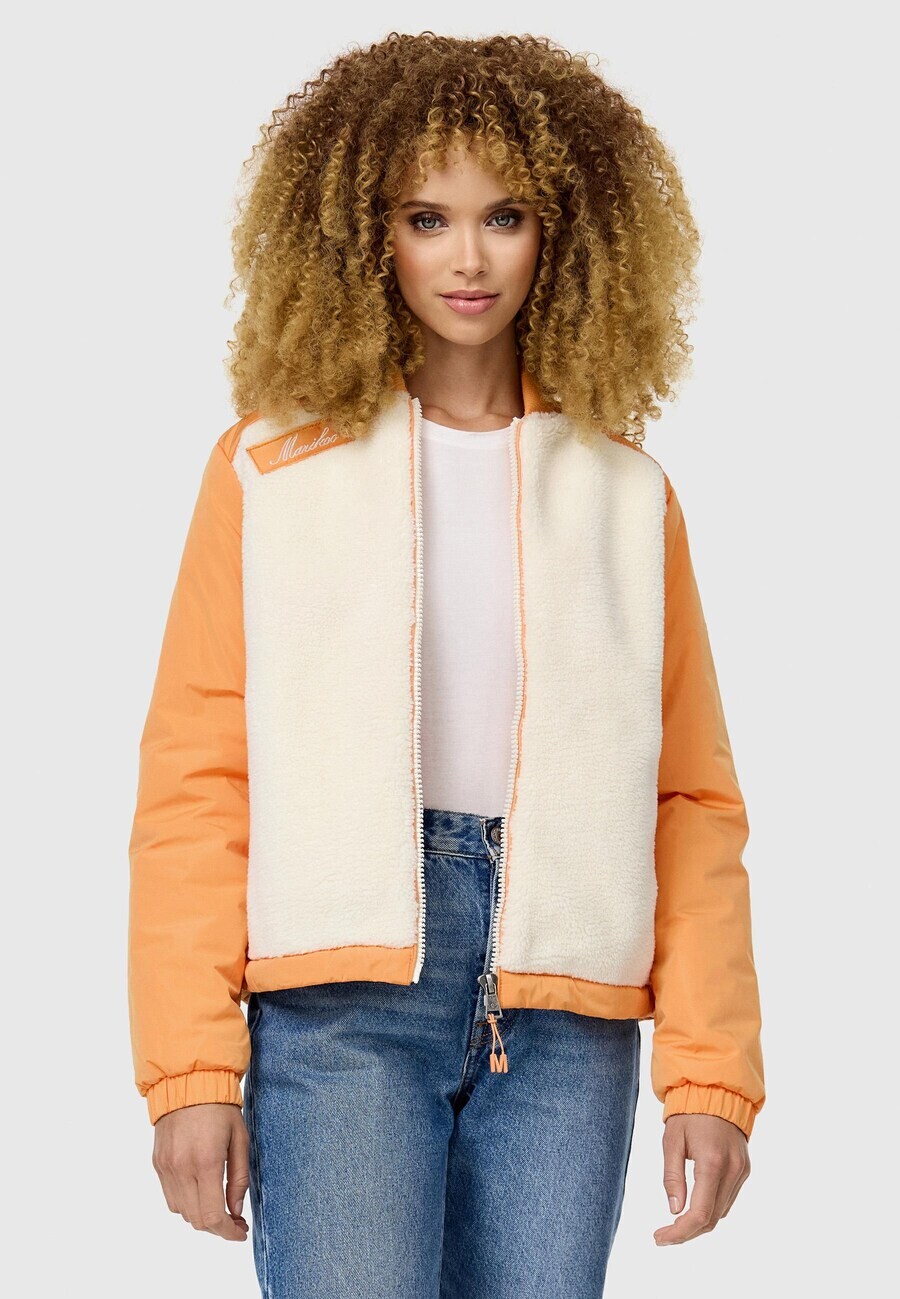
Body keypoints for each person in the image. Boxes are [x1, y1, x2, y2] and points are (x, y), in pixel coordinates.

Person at [128, 30, 765, 1298]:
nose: (468, 259)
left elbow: (690, 799)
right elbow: (199, 777)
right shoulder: (270, 473)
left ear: (565, 232)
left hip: (569, 1026)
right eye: (428, 218)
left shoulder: (627, 496)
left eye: (504, 216)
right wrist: (190, 1068)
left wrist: (711, 1074)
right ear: (364, 234)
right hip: (341, 1009)